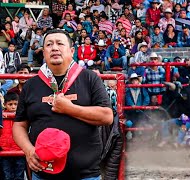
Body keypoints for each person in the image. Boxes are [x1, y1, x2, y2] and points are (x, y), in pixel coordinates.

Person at [12, 29, 114, 179]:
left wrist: (70, 109)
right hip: (42, 173)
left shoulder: (90, 78)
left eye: (60, 43)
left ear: (72, 50)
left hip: (86, 174)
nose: (54, 48)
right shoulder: (31, 85)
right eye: (49, 44)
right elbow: (19, 125)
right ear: (43, 52)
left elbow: (107, 116)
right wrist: (28, 150)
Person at [0, 92, 26, 180]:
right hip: (5, 150)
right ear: (4, 104)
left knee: (19, 175)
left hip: (19, 150)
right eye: (10, 104)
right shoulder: (2, 116)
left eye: (15, 104)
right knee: (7, 175)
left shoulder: (22, 115)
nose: (13, 107)